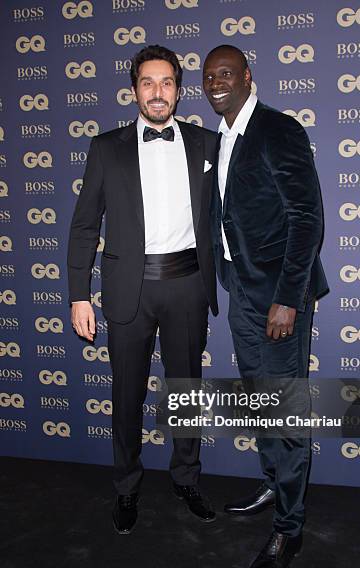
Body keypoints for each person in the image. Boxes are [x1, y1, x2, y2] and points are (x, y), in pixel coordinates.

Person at [67, 44, 218, 534]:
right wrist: (77, 295)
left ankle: (186, 477)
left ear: (179, 89)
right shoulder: (105, 147)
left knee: (185, 392)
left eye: (167, 83)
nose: (158, 93)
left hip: (188, 286)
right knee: (127, 395)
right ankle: (127, 487)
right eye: (148, 83)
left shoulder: (205, 144)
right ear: (134, 91)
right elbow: (85, 226)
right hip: (128, 291)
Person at [203, 45, 329, 568]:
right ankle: (276, 483)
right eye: (208, 77)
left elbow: (308, 217)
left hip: (280, 298)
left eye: (226, 74)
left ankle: (289, 528)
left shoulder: (278, 129)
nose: (215, 83)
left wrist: (287, 296)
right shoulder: (223, 138)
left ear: (248, 77)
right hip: (243, 294)